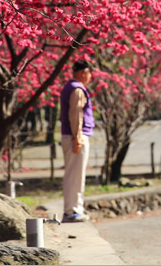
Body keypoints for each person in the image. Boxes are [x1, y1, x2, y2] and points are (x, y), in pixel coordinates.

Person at [60, 59, 95, 222]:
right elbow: (76, 115)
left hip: (72, 135)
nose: (90, 76)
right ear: (83, 73)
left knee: (73, 174)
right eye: (89, 73)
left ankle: (74, 208)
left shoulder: (70, 87)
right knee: (76, 175)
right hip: (76, 136)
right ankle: (72, 210)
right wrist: (78, 138)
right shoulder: (77, 90)